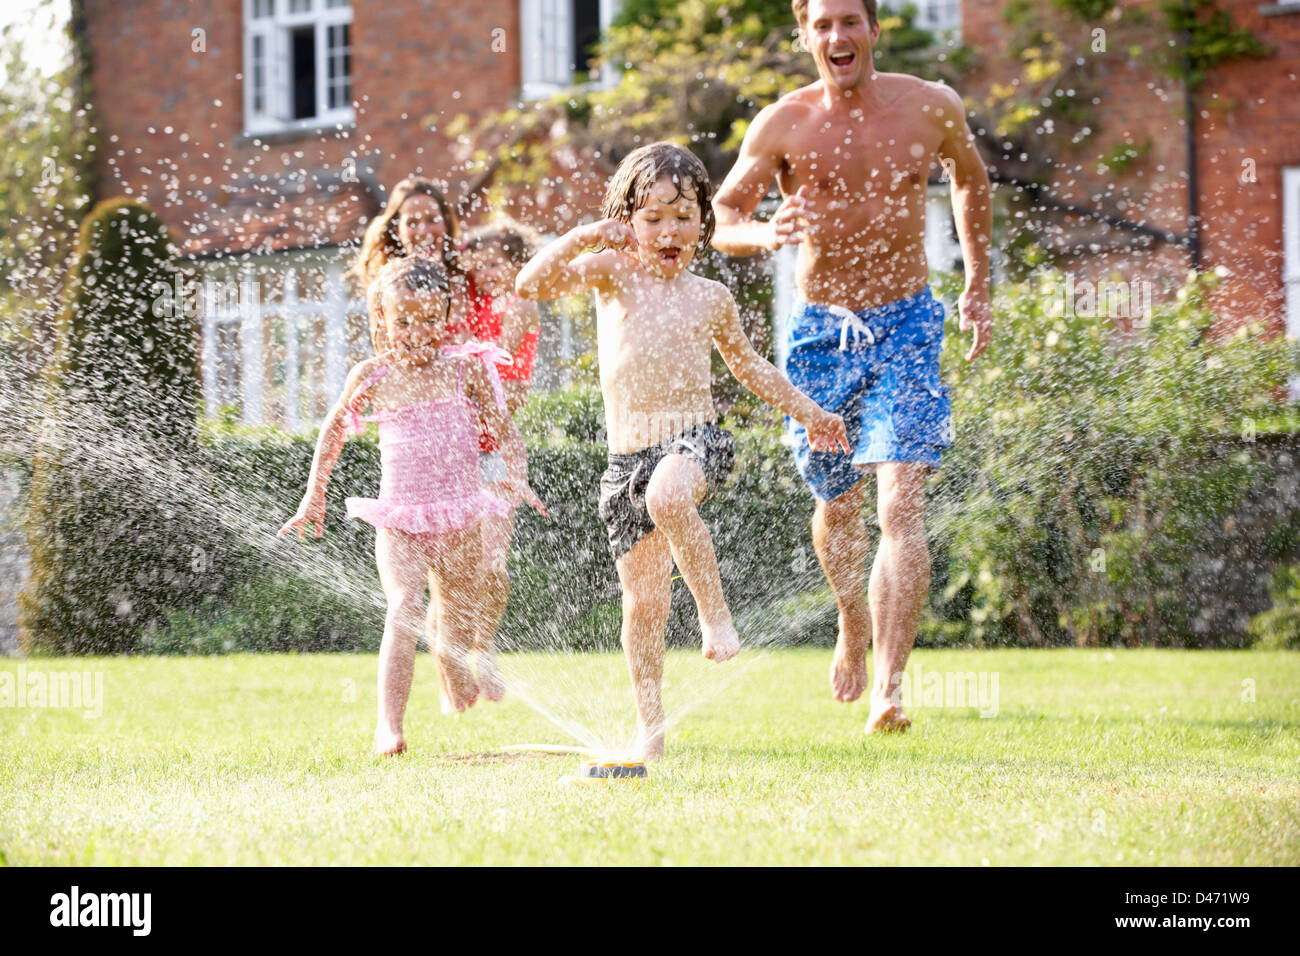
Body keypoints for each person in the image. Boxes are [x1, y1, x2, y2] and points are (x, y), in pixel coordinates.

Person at [711, 0, 993, 733]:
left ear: (873, 29)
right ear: (805, 36)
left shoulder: (931, 106)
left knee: (901, 500)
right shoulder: (782, 124)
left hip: (906, 320)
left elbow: (969, 179)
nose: (838, 37)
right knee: (838, 505)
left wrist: (978, 281)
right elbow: (724, 219)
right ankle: (849, 620)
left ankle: (891, 689)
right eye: (823, 25)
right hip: (820, 334)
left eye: (850, 21)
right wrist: (766, 230)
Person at [516, 142, 849, 759]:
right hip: (625, 462)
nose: (670, 231)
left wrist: (810, 412)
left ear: (703, 221)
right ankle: (651, 727)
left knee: (669, 495)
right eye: (653, 217)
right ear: (627, 222)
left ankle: (716, 615)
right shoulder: (610, 272)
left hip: (693, 439)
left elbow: (749, 367)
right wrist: (586, 235)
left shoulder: (711, 297)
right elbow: (529, 282)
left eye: (684, 216)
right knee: (643, 606)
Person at [279, 256, 516, 755]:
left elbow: (502, 427)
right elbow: (334, 430)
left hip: (459, 518)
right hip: (401, 520)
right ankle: (388, 725)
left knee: (456, 616)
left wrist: (514, 474)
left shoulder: (464, 369)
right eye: (403, 321)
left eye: (430, 319)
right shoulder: (375, 375)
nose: (416, 331)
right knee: (404, 608)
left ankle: (452, 662)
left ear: (447, 317)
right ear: (381, 320)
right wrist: (313, 492)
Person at [458, 221, 547, 699]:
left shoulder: (520, 304)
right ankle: (452, 658)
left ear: (519, 264)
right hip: (453, 445)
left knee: (493, 561)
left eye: (497, 263)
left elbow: (499, 372)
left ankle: (484, 646)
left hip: (496, 448)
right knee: (452, 563)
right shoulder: (465, 304)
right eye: (481, 265)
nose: (487, 272)